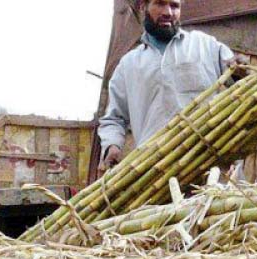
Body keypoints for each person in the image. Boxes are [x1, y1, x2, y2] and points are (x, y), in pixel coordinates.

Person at [98, 0, 236, 174]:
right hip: (155, 170)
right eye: (160, 4)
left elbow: (238, 77)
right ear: (143, 6)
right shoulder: (128, 65)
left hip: (209, 165)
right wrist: (113, 145)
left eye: (174, 6)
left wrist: (240, 70)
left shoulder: (205, 45)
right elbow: (113, 118)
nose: (168, 12)